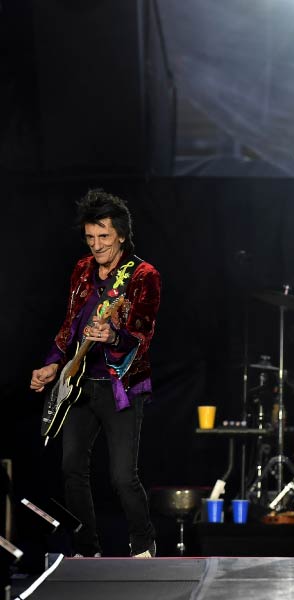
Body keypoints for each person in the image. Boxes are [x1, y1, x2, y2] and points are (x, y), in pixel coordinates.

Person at [30, 190, 160, 558]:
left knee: (122, 477)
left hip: (121, 386)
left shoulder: (143, 275)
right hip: (79, 383)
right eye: (90, 237)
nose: (97, 244)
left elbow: (144, 331)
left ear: (120, 234)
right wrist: (53, 362)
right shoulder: (82, 270)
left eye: (103, 236)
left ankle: (143, 546)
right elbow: (71, 324)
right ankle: (87, 551)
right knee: (71, 467)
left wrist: (114, 335)